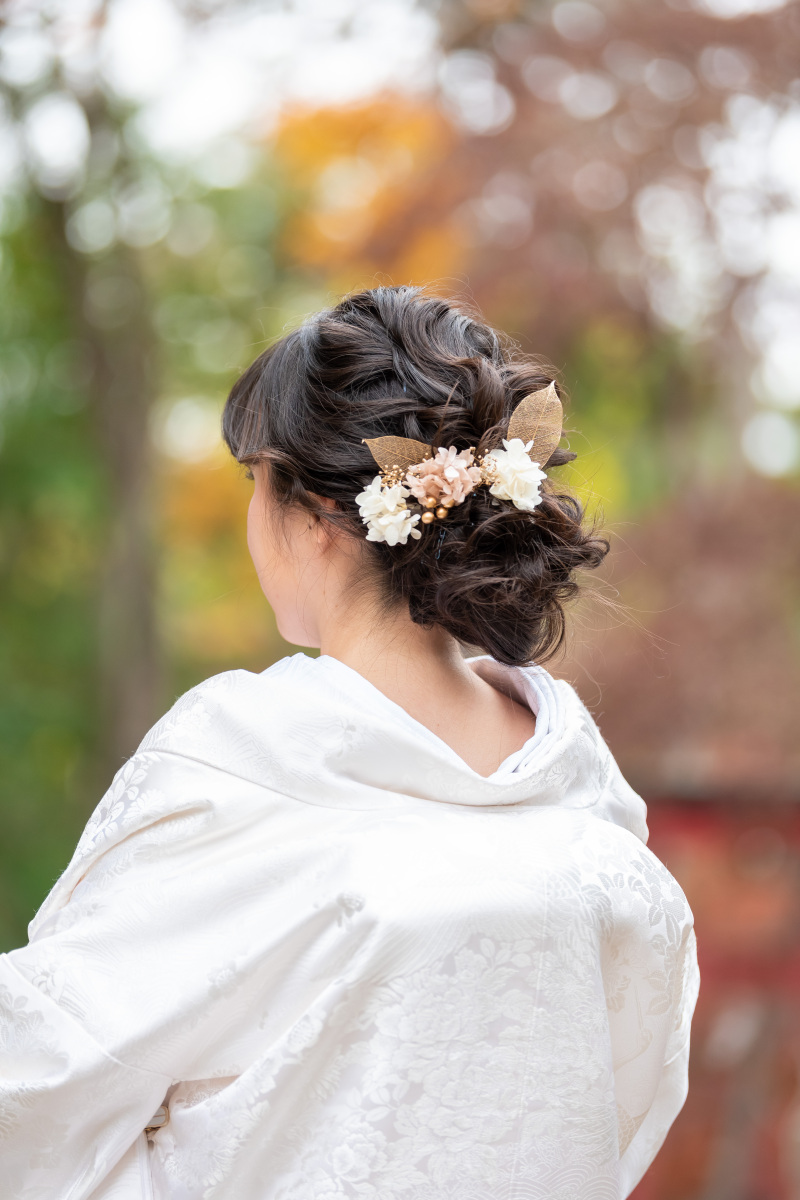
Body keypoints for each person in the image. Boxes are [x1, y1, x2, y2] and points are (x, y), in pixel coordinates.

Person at [0, 286, 699, 1199]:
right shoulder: (590, 805)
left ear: (317, 516)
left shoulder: (242, 761)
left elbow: (41, 1076)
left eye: (255, 482)